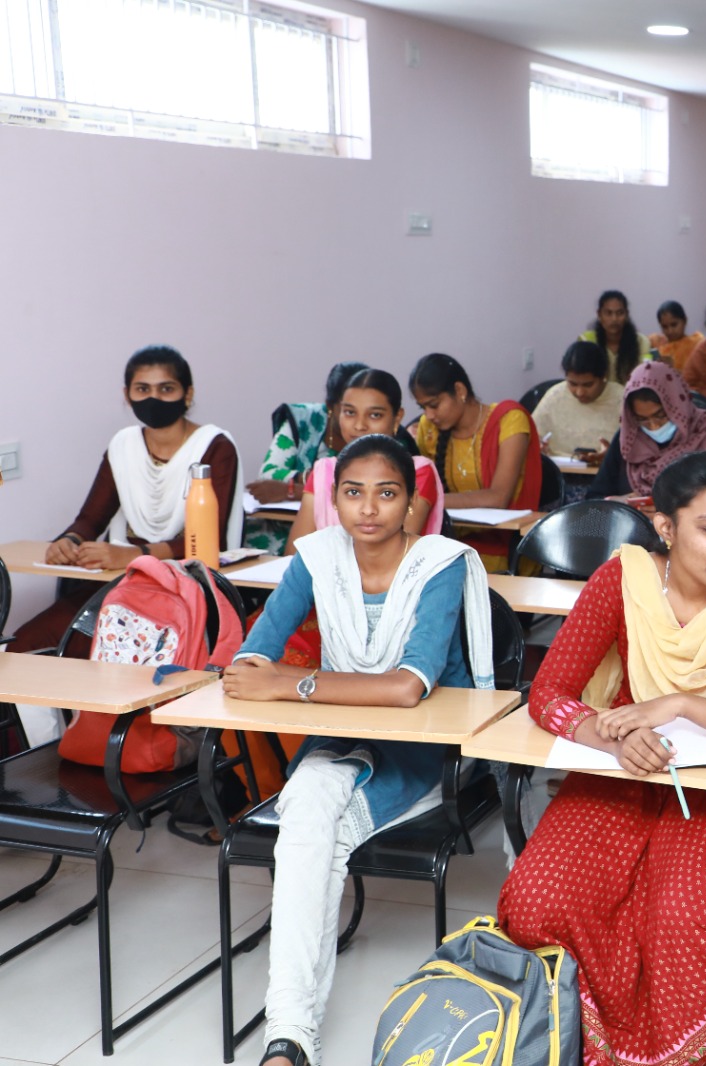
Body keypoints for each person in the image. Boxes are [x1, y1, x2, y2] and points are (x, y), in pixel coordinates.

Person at [496, 451, 706, 1066]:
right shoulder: (624, 580)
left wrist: (681, 705)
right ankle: (579, 1041)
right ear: (666, 527)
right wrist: (610, 737)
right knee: (545, 897)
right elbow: (549, 693)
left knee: (682, 914)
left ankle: (664, 1056)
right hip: (624, 770)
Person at [223, 434, 496, 1066]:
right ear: (334, 501)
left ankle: (287, 1034)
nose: (368, 508)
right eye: (352, 493)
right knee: (312, 815)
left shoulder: (440, 563)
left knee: (310, 824)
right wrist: (265, 672)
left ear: (412, 504)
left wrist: (292, 684)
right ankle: (289, 1034)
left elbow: (408, 687)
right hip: (340, 739)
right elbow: (252, 658)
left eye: (386, 493)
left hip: (424, 749)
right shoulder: (317, 558)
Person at [13, 345, 243, 653]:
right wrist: (68, 541)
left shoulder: (214, 446)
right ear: (127, 394)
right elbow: (91, 519)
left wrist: (136, 555)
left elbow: (207, 541)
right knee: (25, 643)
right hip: (121, 580)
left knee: (110, 650)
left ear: (188, 394)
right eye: (142, 389)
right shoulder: (124, 446)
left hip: (187, 585)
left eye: (166, 388)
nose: (153, 398)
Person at [408, 352, 542, 571]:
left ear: (460, 391)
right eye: (423, 407)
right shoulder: (429, 428)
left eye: (434, 404)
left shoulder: (509, 420)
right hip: (448, 544)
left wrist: (431, 499)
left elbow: (498, 497)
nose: (429, 414)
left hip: (506, 547)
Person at [283, 368, 443, 551]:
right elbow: (295, 554)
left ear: (397, 417)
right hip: (323, 571)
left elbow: (389, 553)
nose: (359, 426)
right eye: (350, 412)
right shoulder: (323, 472)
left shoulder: (418, 471)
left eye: (375, 415)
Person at [244, 361, 368, 553]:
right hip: (281, 526)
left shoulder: (384, 435)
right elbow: (268, 474)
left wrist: (294, 490)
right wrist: (310, 478)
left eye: (372, 412)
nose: (360, 423)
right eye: (349, 411)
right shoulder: (303, 419)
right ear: (330, 406)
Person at [586, 362, 706, 500]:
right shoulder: (629, 439)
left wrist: (673, 509)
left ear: (677, 406)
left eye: (661, 416)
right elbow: (594, 499)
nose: (654, 426)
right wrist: (622, 504)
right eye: (642, 419)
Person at [532, 340, 626, 457]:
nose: (580, 392)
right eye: (573, 384)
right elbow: (531, 435)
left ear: (604, 376)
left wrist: (612, 457)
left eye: (588, 385)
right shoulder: (555, 396)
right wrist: (538, 445)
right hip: (559, 466)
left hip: (605, 467)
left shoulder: (622, 399)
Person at [580, 290, 651, 384]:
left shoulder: (641, 342)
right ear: (599, 315)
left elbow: (645, 377)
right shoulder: (586, 341)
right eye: (608, 313)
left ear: (627, 315)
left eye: (620, 313)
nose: (614, 319)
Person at [647, 300, 704, 372]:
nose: (670, 331)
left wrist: (672, 368)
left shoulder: (697, 345)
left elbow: (700, 375)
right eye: (665, 327)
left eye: (674, 325)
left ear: (685, 321)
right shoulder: (657, 345)